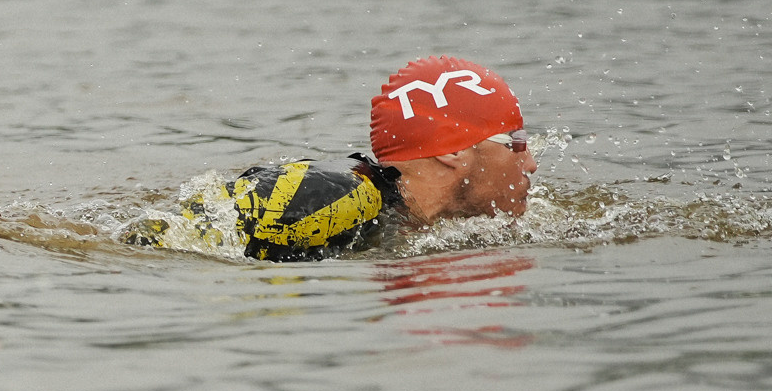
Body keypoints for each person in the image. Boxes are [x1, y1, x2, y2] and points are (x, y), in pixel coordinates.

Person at [126, 56, 538, 261]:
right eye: (515, 142)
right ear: (451, 151)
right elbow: (156, 243)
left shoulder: (403, 218)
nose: (531, 162)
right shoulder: (334, 199)